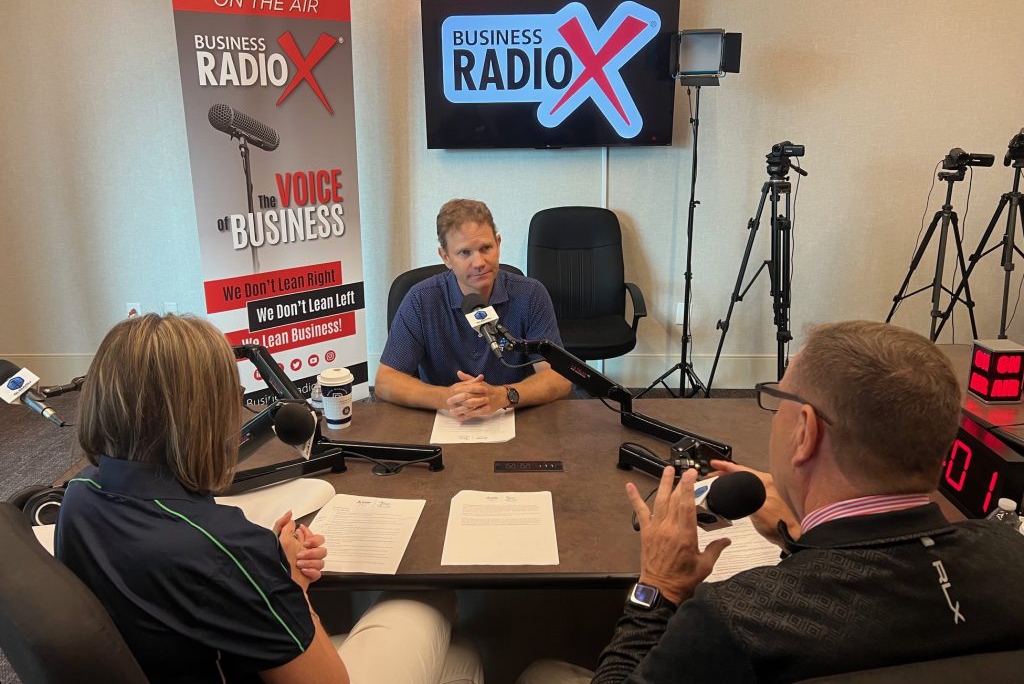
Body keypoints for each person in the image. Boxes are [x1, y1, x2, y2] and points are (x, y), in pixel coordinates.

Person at [517, 320, 1024, 683]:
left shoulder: (735, 619)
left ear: (805, 432)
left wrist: (658, 588)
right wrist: (798, 540)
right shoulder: (1010, 553)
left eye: (780, 401)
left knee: (541, 672)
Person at [55, 313, 483, 684]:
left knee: (459, 663)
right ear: (207, 417)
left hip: (183, 661)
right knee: (430, 598)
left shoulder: (78, 496)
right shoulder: (229, 550)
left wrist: (261, 567)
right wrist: (289, 584)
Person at [375, 199, 571, 419]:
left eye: (486, 248)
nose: (479, 262)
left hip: (513, 416)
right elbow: (386, 381)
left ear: (498, 244)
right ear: (446, 257)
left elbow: (559, 377)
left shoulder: (531, 294)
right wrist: (447, 397)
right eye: (465, 253)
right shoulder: (421, 300)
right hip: (444, 421)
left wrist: (504, 395)